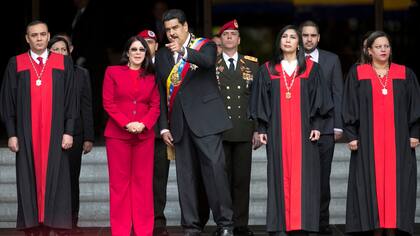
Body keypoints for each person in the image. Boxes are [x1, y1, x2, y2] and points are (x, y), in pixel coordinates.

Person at [155, 9, 234, 236]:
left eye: (175, 28)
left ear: (185, 26)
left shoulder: (205, 45)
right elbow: (160, 93)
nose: (171, 33)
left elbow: (208, 62)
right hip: (178, 124)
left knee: (215, 174)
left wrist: (184, 51)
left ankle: (225, 224)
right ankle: (191, 226)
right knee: (186, 179)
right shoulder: (161, 56)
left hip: (206, 122)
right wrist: (163, 126)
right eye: (168, 30)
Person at [249, 25, 333, 236]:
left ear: (299, 43)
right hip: (277, 132)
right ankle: (279, 225)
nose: (288, 40)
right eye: (284, 36)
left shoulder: (311, 69)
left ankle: (304, 223)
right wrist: (261, 128)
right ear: (279, 41)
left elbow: (320, 101)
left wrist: (317, 127)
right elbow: (261, 102)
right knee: (278, 175)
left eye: (292, 37)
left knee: (306, 178)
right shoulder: (268, 69)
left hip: (304, 132)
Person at [0, 20, 77, 236]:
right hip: (26, 135)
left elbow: (72, 100)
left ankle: (54, 223)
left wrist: (68, 131)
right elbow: (8, 102)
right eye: (34, 35)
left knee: (57, 178)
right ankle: (32, 226)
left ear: (48, 35)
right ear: (27, 38)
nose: (39, 38)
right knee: (28, 178)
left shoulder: (63, 63)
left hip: (55, 135)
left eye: (43, 34)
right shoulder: (17, 63)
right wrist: (12, 134)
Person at [342, 31, 420, 236]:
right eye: (378, 47)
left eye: (386, 46)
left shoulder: (404, 73)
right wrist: (352, 134)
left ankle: (394, 227)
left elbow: (415, 106)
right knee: (370, 183)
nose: (383, 50)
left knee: (399, 184)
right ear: (369, 51)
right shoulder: (359, 73)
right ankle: (374, 228)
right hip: (368, 142)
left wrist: (415, 133)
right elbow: (349, 105)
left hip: (399, 142)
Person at [102, 35, 160, 236]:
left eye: (141, 50)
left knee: (143, 185)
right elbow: (108, 102)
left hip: (144, 136)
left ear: (147, 54)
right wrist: (126, 123)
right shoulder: (112, 72)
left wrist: (143, 124)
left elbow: (155, 105)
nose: (137, 53)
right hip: (118, 136)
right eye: (134, 49)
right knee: (119, 186)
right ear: (127, 52)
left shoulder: (152, 76)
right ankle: (121, 231)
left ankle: (144, 231)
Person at [216, 19, 261, 236]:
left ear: (239, 39)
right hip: (219, 131)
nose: (230, 37)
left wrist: (258, 129)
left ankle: (240, 224)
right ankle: (224, 224)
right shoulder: (211, 65)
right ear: (220, 39)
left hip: (244, 130)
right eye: (226, 35)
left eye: (233, 34)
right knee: (222, 181)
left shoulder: (252, 64)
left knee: (242, 180)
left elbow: (257, 99)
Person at [299, 20, 344, 234]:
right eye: (305, 35)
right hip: (298, 128)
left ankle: (321, 223)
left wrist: (338, 126)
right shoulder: (291, 60)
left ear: (318, 38)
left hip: (325, 128)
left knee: (322, 178)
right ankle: (302, 220)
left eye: (312, 35)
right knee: (301, 177)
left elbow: (338, 93)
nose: (308, 39)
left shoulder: (331, 60)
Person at [48, 34, 94, 232]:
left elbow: (86, 106)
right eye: (55, 50)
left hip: (75, 135)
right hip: (49, 135)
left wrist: (89, 137)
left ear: (70, 51)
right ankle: (53, 218)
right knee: (52, 179)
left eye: (63, 49)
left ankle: (72, 219)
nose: (59, 53)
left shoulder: (81, 73)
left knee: (71, 179)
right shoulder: (42, 74)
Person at [138, 29, 170, 236]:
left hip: (160, 131)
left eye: (151, 41)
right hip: (138, 131)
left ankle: (158, 220)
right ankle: (140, 219)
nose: (147, 45)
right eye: (143, 42)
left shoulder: (167, 65)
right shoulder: (131, 65)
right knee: (139, 178)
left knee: (159, 178)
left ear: (156, 45)